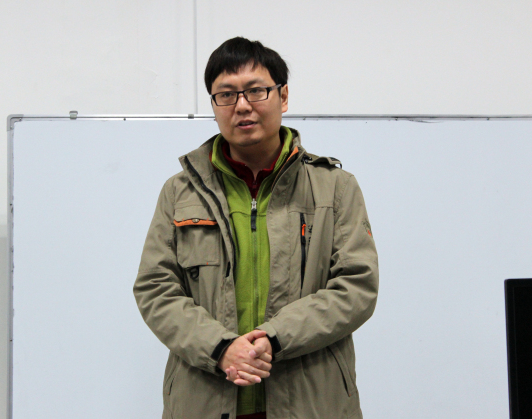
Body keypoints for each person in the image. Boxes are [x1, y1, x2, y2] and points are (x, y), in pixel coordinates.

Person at [133, 37, 379, 419]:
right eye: (226, 95)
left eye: (255, 90)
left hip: (312, 403)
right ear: (214, 105)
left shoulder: (334, 188)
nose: (242, 105)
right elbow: (155, 288)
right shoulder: (180, 192)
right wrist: (219, 348)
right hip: (203, 400)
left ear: (283, 97)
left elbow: (356, 286)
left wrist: (276, 339)